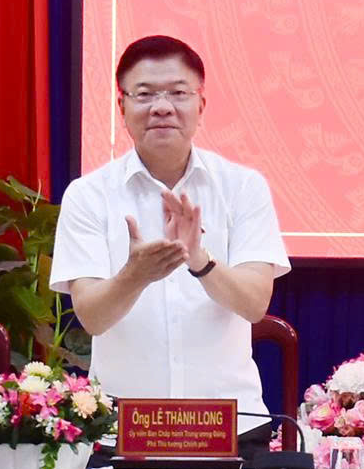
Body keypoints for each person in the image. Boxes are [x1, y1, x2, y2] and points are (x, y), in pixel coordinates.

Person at [50, 36, 290, 429]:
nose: (162, 107)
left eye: (178, 93)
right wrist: (135, 275)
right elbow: (92, 317)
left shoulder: (243, 186)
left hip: (229, 426)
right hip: (123, 429)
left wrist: (201, 261)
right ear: (122, 107)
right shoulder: (88, 194)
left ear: (201, 105)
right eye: (144, 94)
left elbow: (254, 304)